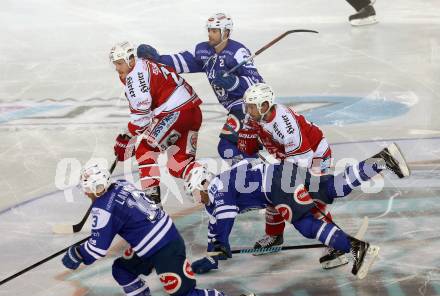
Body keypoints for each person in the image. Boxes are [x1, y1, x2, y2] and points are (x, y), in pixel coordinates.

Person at [61, 163, 257, 296]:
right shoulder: (121, 185)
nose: (85, 192)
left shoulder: (103, 209)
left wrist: (77, 253)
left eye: (86, 188)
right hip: (155, 240)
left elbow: (97, 249)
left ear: (94, 188)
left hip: (165, 249)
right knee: (122, 269)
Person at [185, 142, 410, 278]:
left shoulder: (218, 188)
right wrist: (212, 255)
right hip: (283, 173)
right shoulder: (215, 193)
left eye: (195, 192)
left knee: (305, 224)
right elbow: (215, 226)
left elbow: (224, 217)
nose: (196, 198)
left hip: (276, 187)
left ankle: (354, 248)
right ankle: (382, 160)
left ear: (204, 182)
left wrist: (221, 245)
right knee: (333, 187)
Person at [136, 12, 264, 165]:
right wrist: (158, 60)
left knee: (227, 147)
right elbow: (181, 61)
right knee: (237, 147)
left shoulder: (238, 52)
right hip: (233, 108)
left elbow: (258, 83)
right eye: (209, 30)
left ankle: (252, 173)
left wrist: (232, 82)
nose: (210, 34)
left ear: (226, 32)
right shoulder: (204, 50)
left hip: (246, 105)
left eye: (214, 31)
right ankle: (257, 171)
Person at [237, 83, 341, 267]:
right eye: (248, 105)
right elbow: (247, 146)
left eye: (252, 106)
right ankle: (275, 235)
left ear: (265, 105)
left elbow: (303, 160)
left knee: (311, 199)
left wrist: (287, 185)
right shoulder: (254, 117)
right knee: (270, 190)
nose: (248, 110)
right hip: (290, 158)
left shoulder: (284, 124)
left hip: (315, 156)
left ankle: (336, 245)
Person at [110, 41, 203, 205]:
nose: (117, 68)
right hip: (192, 113)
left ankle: (151, 201)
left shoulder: (134, 79)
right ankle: (208, 183)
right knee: (179, 165)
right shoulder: (145, 63)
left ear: (130, 59)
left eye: (119, 63)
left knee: (145, 148)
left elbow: (142, 120)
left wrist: (126, 139)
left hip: (175, 113)